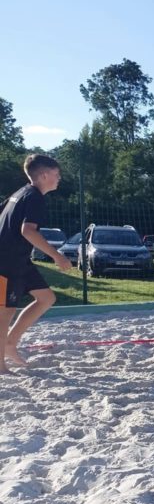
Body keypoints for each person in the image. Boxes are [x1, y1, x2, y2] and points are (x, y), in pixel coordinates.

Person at [1, 154, 73, 374]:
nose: (59, 177)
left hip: (19, 260)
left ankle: (11, 344)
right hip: (6, 262)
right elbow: (28, 231)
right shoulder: (34, 197)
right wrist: (57, 256)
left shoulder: (20, 193)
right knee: (5, 312)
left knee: (46, 298)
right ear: (43, 175)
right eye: (56, 174)